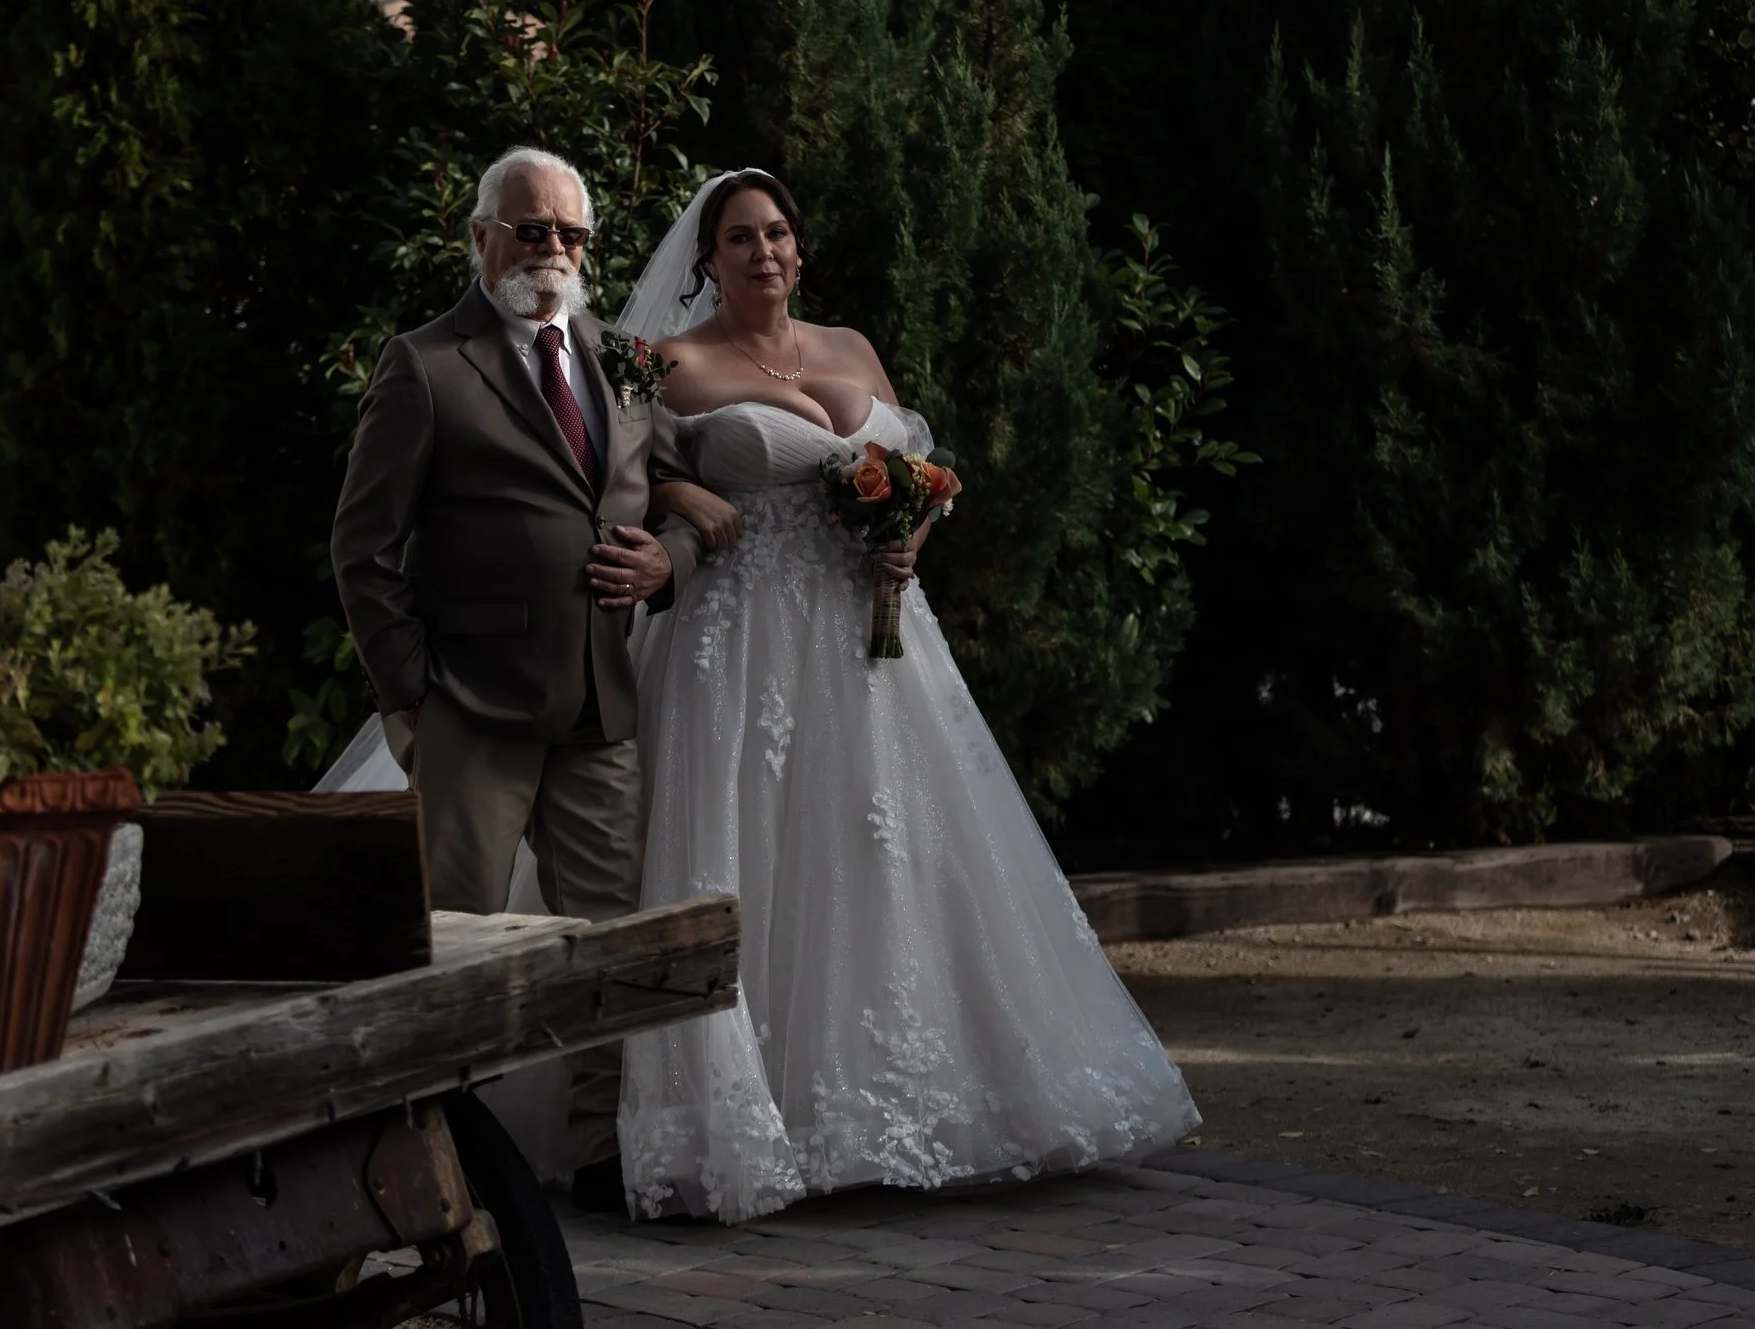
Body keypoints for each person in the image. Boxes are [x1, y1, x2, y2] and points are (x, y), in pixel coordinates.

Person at [614, 169, 1200, 1222]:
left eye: (779, 232)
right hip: (743, 636)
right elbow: (611, 469)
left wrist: (910, 532)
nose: (764, 252)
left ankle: (895, 1106)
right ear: (706, 259)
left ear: (801, 246)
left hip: (869, 632)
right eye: (740, 237)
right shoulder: (672, 362)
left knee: (880, 850)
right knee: (754, 847)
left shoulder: (849, 347)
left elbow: (913, 466)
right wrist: (675, 488)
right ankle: (752, 1115)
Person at [330, 145, 703, 1214]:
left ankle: (597, 1157)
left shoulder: (624, 360)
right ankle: (430, 1164)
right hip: (473, 713)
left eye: (571, 234)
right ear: (482, 232)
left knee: (607, 943)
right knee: (454, 950)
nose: (552, 251)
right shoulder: (426, 363)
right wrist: (412, 696)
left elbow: (678, 487)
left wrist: (673, 556)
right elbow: (362, 547)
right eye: (531, 228)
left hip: (599, 705)